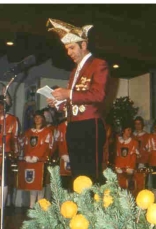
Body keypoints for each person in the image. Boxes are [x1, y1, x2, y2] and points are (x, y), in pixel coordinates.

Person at [46, 18, 110, 183]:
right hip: (73, 125)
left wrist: (68, 94)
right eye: (67, 49)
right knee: (78, 174)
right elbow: (75, 98)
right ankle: (82, 207)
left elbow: (98, 95)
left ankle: (95, 208)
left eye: (72, 47)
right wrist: (60, 103)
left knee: (91, 174)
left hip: (90, 125)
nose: (69, 53)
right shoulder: (75, 71)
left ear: (84, 45)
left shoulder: (98, 64)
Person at [20, 110, 54, 208]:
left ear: (43, 119)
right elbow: (26, 145)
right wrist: (27, 155)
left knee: (40, 185)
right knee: (32, 184)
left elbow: (47, 147)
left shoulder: (47, 132)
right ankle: (31, 206)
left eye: (39, 117)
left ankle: (40, 207)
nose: (37, 119)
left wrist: (38, 156)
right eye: (35, 118)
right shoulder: (28, 132)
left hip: (41, 161)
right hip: (30, 161)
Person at [114, 122, 138, 192]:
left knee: (128, 188)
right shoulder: (118, 141)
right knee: (119, 188)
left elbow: (133, 157)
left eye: (130, 130)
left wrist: (130, 168)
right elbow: (117, 155)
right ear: (123, 131)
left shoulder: (134, 142)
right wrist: (118, 167)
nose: (130, 132)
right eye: (128, 130)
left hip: (129, 169)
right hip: (119, 168)